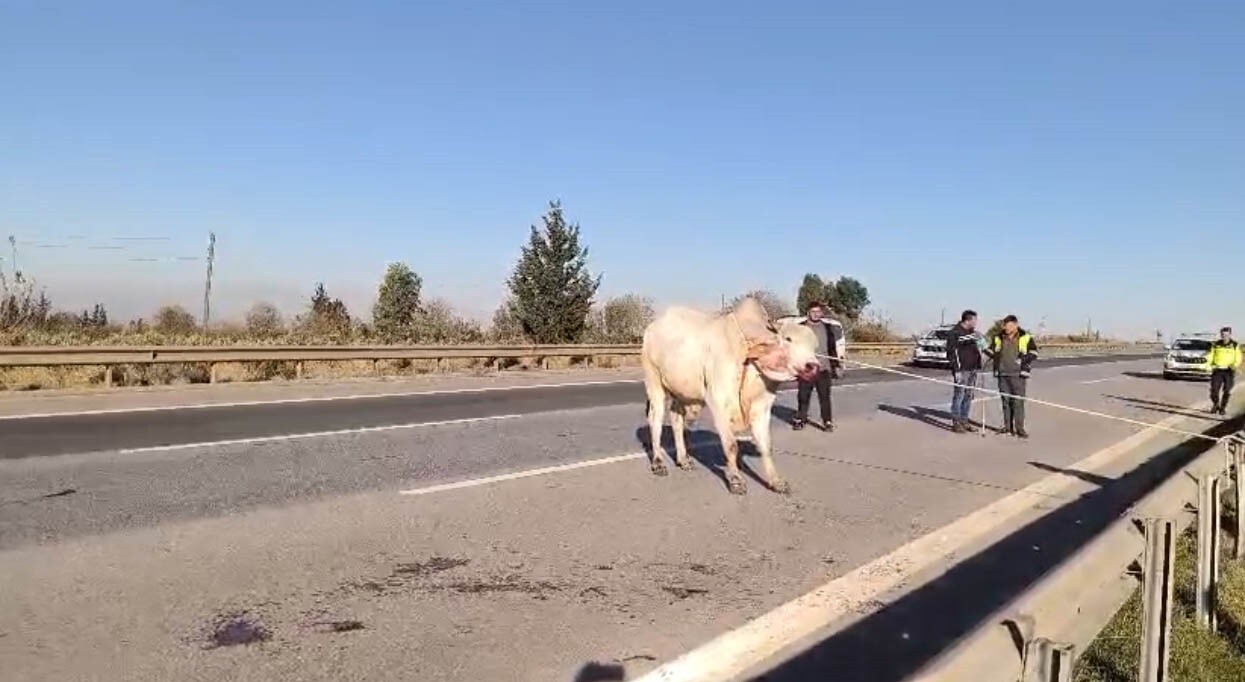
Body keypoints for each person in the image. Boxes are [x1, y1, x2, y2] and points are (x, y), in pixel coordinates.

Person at [792, 301, 843, 432]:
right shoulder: (800, 328)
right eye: (813, 312)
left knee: (825, 397)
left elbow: (832, 348)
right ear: (808, 312)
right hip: (806, 368)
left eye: (818, 312)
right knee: (803, 396)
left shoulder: (827, 327)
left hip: (824, 368)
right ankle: (801, 419)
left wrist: (836, 365)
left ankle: (827, 421)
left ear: (822, 313)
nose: (816, 314)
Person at [985, 315, 1038, 438]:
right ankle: (1007, 427)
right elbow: (992, 351)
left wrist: (1022, 359)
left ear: (1015, 325)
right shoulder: (998, 337)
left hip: (1018, 374)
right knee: (1006, 401)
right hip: (1002, 373)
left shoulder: (1025, 337)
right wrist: (986, 350)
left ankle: (1019, 428)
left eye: (1008, 326)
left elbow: (1034, 353)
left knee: (1018, 402)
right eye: (1005, 325)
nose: (1006, 328)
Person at [945, 309, 984, 433]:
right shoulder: (955, 333)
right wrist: (956, 370)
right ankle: (956, 423)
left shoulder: (972, 333)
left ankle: (964, 420)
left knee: (968, 395)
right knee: (959, 395)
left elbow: (976, 346)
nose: (976, 322)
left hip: (972, 368)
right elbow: (951, 353)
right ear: (968, 320)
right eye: (974, 320)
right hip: (962, 370)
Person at [1208, 326, 1242, 415]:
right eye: (1223, 335)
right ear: (1221, 335)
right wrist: (1211, 365)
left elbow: (1238, 357)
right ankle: (1216, 404)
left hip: (1229, 371)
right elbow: (1210, 355)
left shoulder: (1234, 345)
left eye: (1226, 335)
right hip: (1218, 370)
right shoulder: (1216, 344)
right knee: (1214, 390)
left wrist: (1234, 365)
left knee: (1227, 390)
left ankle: (1222, 407)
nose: (1224, 336)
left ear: (1230, 335)